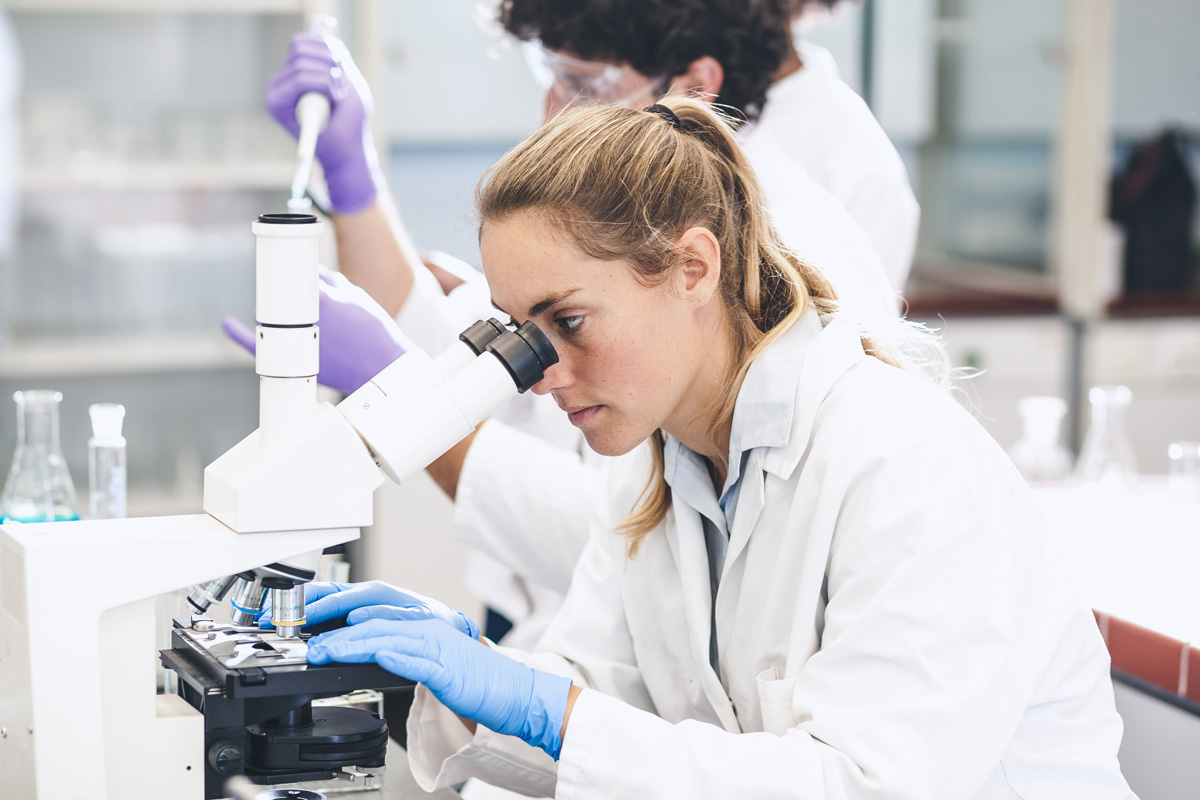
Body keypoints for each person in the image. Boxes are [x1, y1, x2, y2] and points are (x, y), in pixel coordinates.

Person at [287, 96, 1134, 798]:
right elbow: (602, 715)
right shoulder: (657, 477)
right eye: (522, 333)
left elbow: (862, 784)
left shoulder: (904, 463)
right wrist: (442, 690)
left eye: (568, 322)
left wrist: (545, 705)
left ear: (693, 267)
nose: (539, 374)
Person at [246, 0, 914, 653]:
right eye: (549, 81)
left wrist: (396, 389)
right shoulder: (610, 238)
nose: (551, 115)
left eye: (582, 84)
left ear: (696, 87)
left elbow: (632, 532)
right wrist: (351, 171)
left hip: (622, 633)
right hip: (565, 623)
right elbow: (440, 340)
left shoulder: (787, 232)